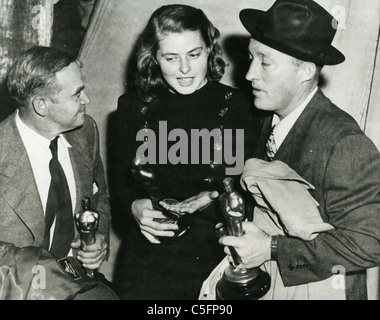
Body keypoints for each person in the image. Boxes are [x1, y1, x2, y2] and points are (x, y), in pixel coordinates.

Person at [219, 0, 380, 300]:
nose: (250, 73)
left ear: (305, 71)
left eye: (265, 62)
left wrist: (271, 247)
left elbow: (370, 241)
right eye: (251, 57)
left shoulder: (344, 142)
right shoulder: (267, 115)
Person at [111, 4, 261, 300]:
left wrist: (209, 198)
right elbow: (119, 187)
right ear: (153, 57)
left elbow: (250, 194)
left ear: (209, 50)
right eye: (170, 57)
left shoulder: (239, 106)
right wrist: (134, 207)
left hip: (218, 257)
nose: (184, 69)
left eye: (194, 54)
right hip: (148, 263)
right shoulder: (131, 107)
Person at [0, 46, 117, 300]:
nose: (87, 100)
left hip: (79, 282)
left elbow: (99, 197)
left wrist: (97, 237)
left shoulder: (85, 131)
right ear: (42, 105)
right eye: (77, 94)